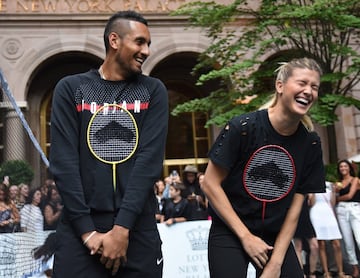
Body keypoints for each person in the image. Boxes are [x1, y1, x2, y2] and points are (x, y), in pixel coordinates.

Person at [49, 10, 168, 278]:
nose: (146, 51)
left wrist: (122, 228)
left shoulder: (154, 90)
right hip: (80, 231)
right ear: (114, 41)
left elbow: (148, 163)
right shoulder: (71, 89)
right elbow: (64, 163)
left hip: (137, 230)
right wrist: (88, 232)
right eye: (139, 42)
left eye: (148, 44)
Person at [201, 57, 326, 278]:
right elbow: (210, 184)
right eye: (302, 83)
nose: (308, 91)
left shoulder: (311, 143)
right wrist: (246, 237)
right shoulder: (243, 128)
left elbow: (296, 209)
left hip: (275, 235)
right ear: (280, 86)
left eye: (314, 87)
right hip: (230, 230)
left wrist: (276, 263)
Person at [309, 182, 348, 278]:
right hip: (316, 214)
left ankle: (341, 272)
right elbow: (312, 203)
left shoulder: (329, 184)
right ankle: (326, 272)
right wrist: (314, 190)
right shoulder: (312, 185)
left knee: (337, 244)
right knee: (321, 244)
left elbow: (332, 203)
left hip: (329, 213)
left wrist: (334, 192)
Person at [335, 159, 360, 278]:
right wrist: (336, 193)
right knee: (348, 242)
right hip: (341, 210)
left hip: (354, 208)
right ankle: (355, 268)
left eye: (345, 166)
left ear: (349, 167)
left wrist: (338, 198)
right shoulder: (338, 183)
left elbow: (350, 195)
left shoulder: (355, 180)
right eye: (341, 167)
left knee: (359, 238)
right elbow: (334, 199)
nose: (343, 168)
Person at [293, 195, 319, 278]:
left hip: (306, 217)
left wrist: (313, 194)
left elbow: (312, 203)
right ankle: (301, 273)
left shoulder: (306, 188)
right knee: (298, 247)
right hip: (295, 216)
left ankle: (312, 273)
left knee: (315, 246)